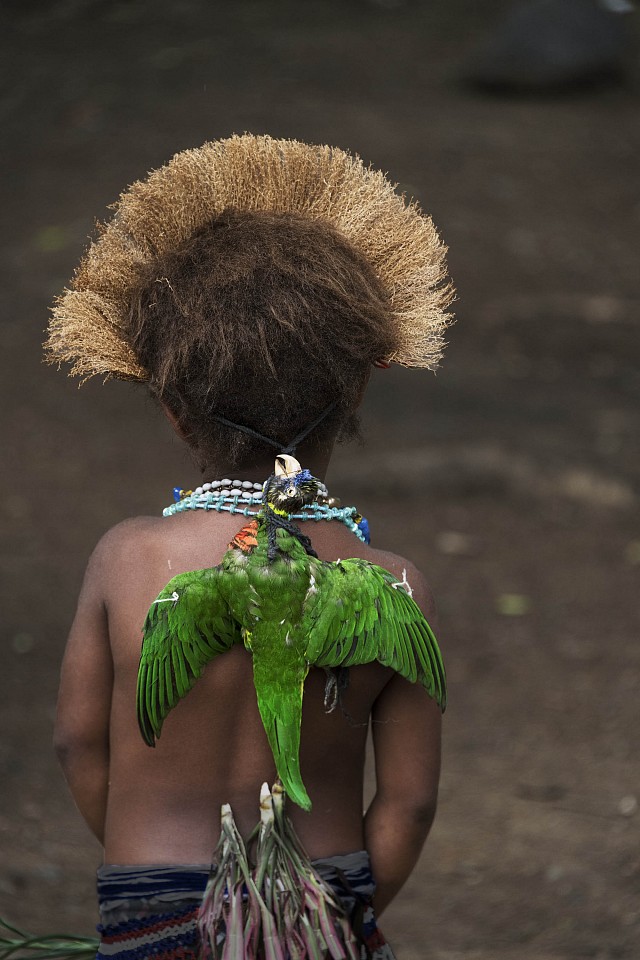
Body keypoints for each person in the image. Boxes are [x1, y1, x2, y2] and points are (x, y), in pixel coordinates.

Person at [47, 135, 453, 959]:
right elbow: (408, 804)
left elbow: (77, 742)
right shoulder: (392, 584)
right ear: (360, 388)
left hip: (152, 905)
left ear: (171, 407)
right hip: (324, 910)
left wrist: (147, 893)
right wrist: (328, 922)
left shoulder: (126, 560)